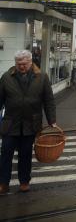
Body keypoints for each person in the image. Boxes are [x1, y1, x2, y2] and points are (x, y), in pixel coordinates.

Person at [0, 50, 57, 195]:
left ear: (31, 62)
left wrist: (52, 121)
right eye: (19, 64)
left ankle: (24, 182)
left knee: (25, 155)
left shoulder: (42, 77)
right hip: (10, 123)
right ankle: (3, 183)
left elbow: (49, 101)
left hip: (30, 124)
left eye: (24, 64)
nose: (21, 67)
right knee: (6, 154)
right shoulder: (6, 77)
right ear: (15, 63)